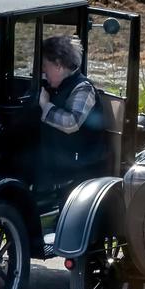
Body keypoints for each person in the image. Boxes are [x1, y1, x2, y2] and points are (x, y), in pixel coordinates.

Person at [38, 34, 107, 189]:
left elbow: (72, 123)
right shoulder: (55, 87)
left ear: (58, 65)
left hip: (81, 172)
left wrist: (45, 106)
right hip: (59, 167)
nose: (43, 72)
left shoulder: (83, 88)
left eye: (45, 66)